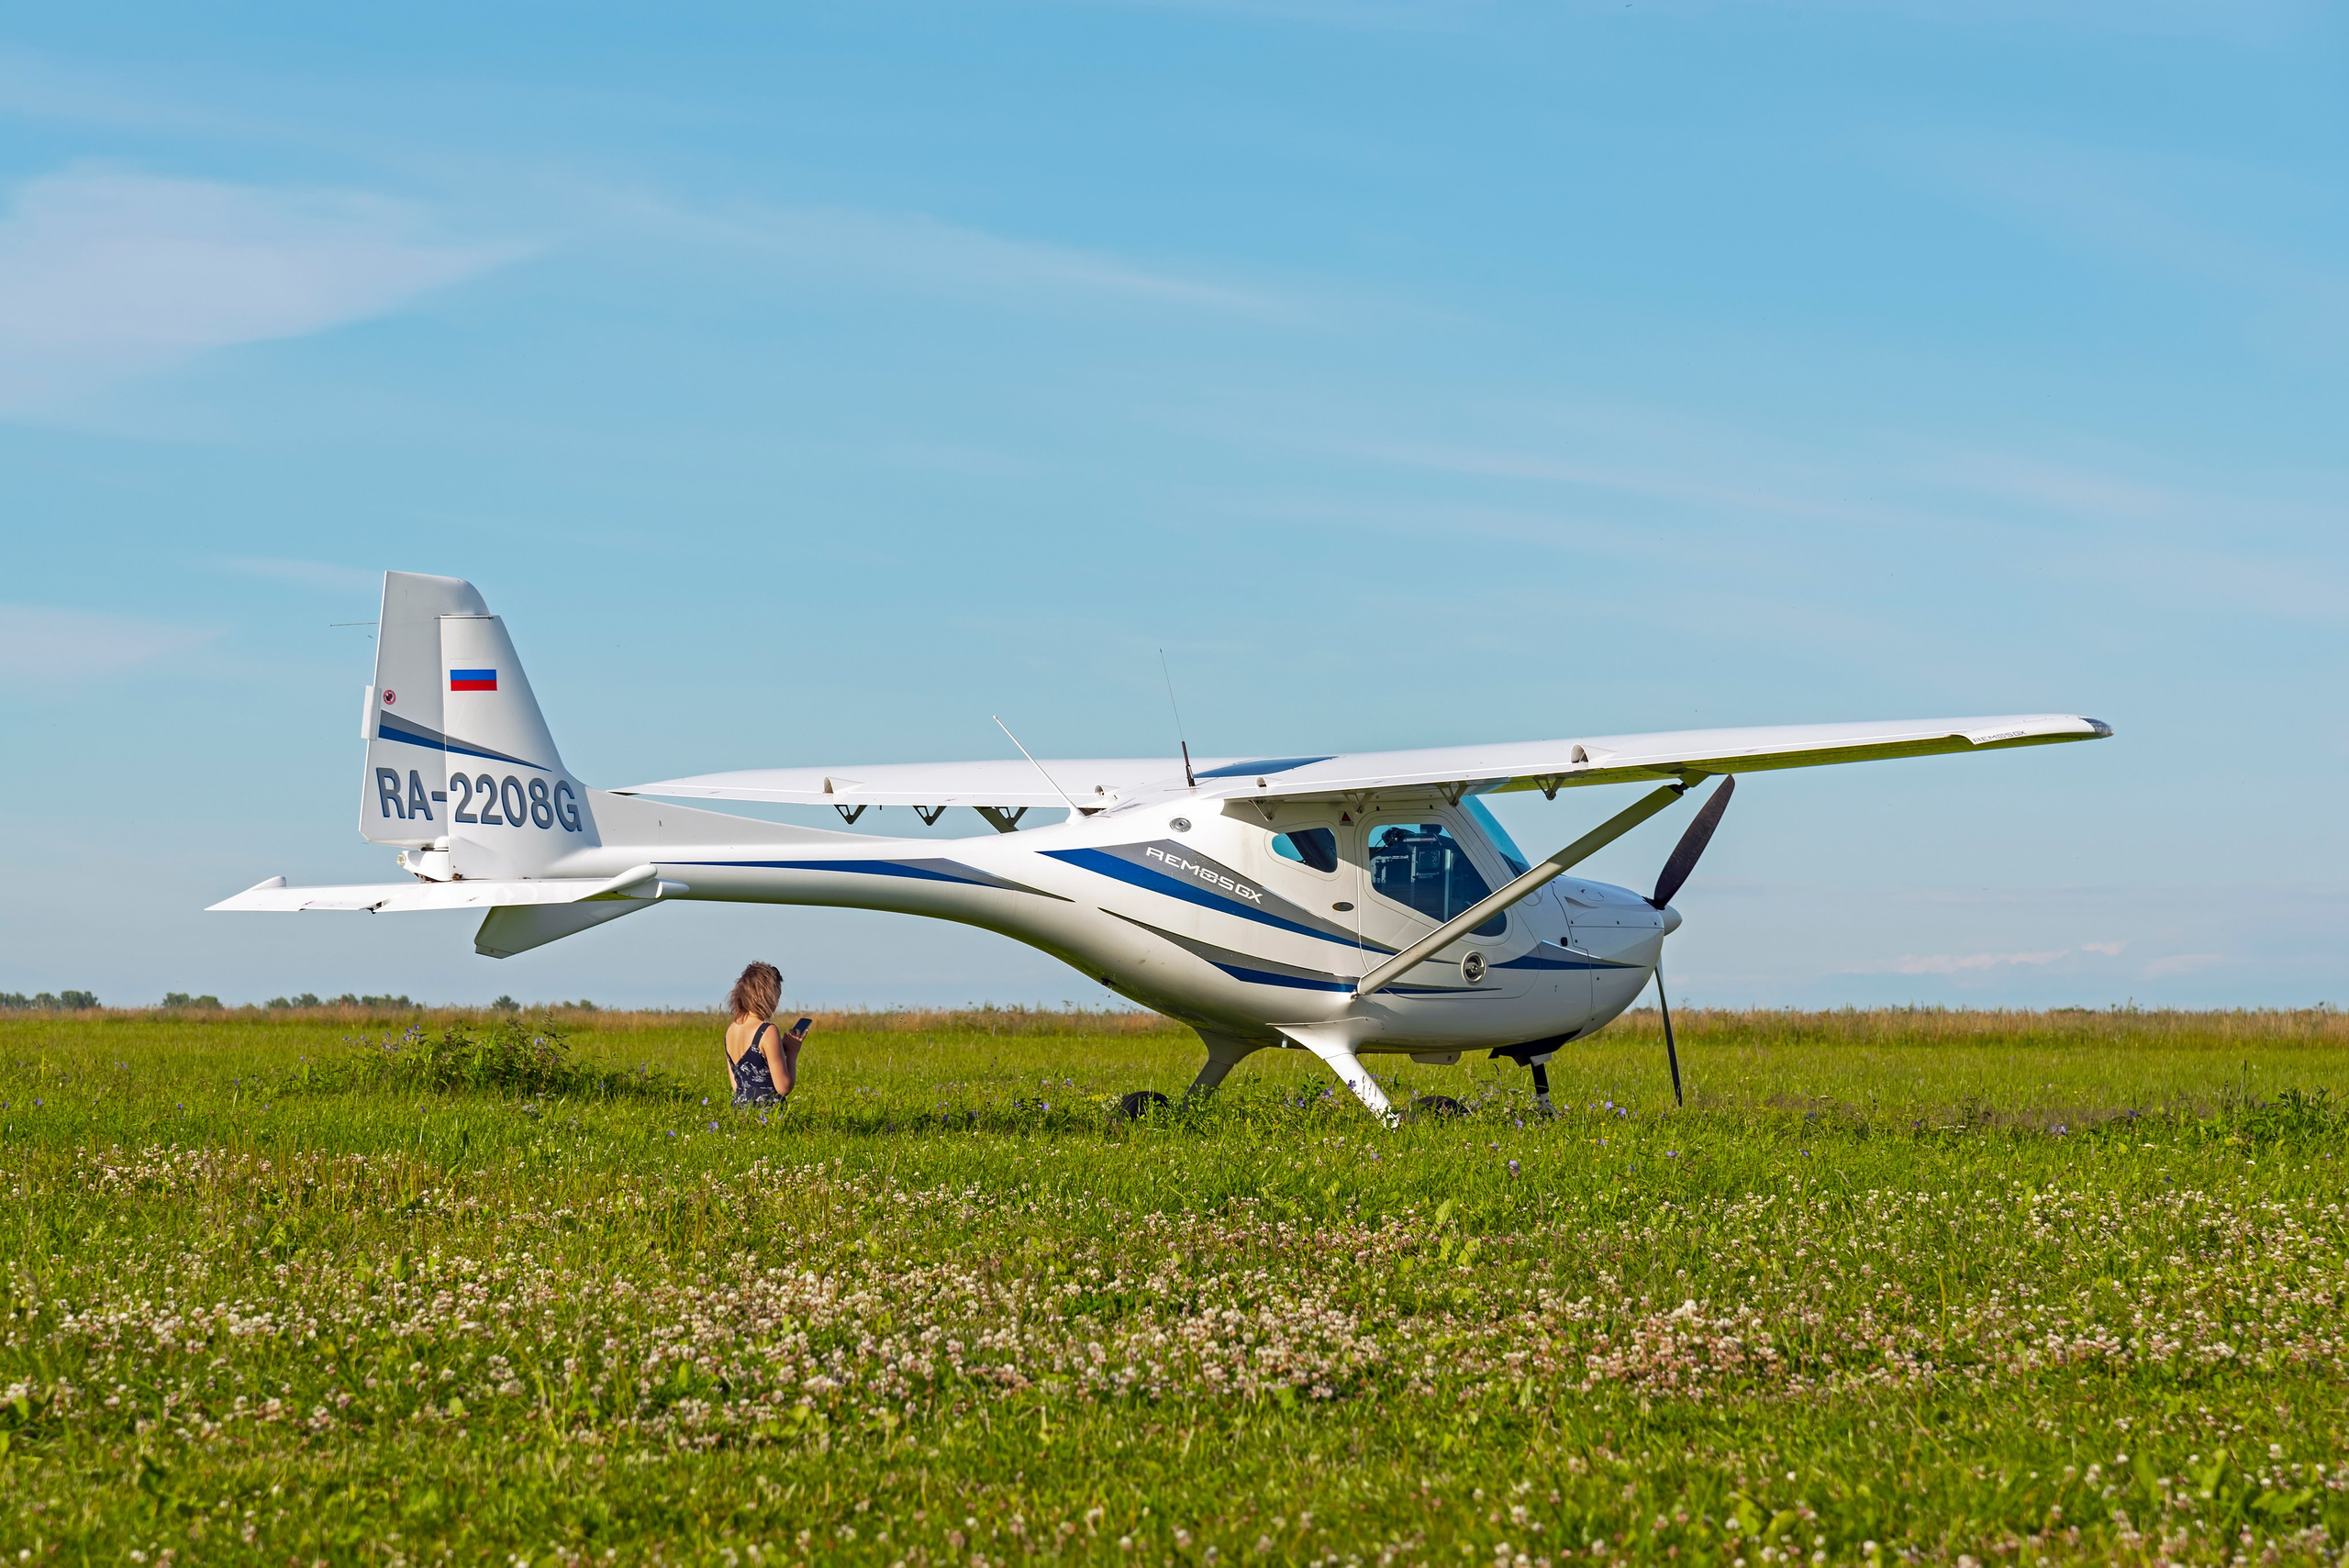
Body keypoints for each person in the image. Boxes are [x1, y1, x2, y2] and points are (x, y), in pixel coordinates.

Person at [723, 961, 806, 1106]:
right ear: (767, 996)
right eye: (777, 997)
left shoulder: (731, 1030)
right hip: (767, 1114)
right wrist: (792, 1053)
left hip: (739, 1112)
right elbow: (783, 1088)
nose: (776, 1004)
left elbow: (737, 1085)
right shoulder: (767, 1031)